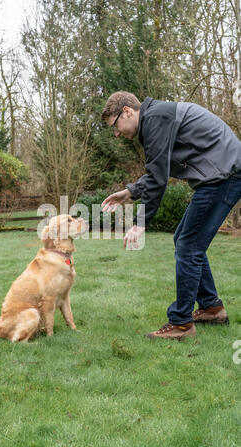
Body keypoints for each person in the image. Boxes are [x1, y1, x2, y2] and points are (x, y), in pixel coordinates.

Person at [101, 91, 241, 340]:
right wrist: (130, 192)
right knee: (186, 242)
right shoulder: (157, 118)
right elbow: (159, 169)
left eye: (115, 125)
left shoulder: (155, 119)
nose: (117, 133)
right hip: (224, 174)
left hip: (224, 175)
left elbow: (157, 178)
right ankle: (211, 307)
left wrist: (140, 223)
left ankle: (181, 324)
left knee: (188, 247)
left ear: (127, 112)